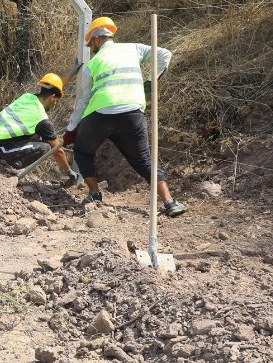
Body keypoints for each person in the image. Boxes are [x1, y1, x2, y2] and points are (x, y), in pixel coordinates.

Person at [63, 16, 187, 217]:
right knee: (144, 160)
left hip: (100, 116)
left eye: (90, 45)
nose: (91, 49)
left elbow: (83, 101)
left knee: (83, 151)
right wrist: (150, 82)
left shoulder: (92, 64)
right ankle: (170, 203)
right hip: (131, 114)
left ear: (96, 40)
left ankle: (94, 194)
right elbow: (165, 54)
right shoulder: (133, 48)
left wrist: (71, 130)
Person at [0, 73, 78, 183]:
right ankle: (3, 166)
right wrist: (68, 171)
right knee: (45, 147)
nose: (55, 104)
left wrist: (71, 74)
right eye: (56, 100)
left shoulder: (27, 97)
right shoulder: (42, 120)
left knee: (37, 136)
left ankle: (5, 158)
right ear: (52, 97)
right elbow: (57, 151)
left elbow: (51, 88)